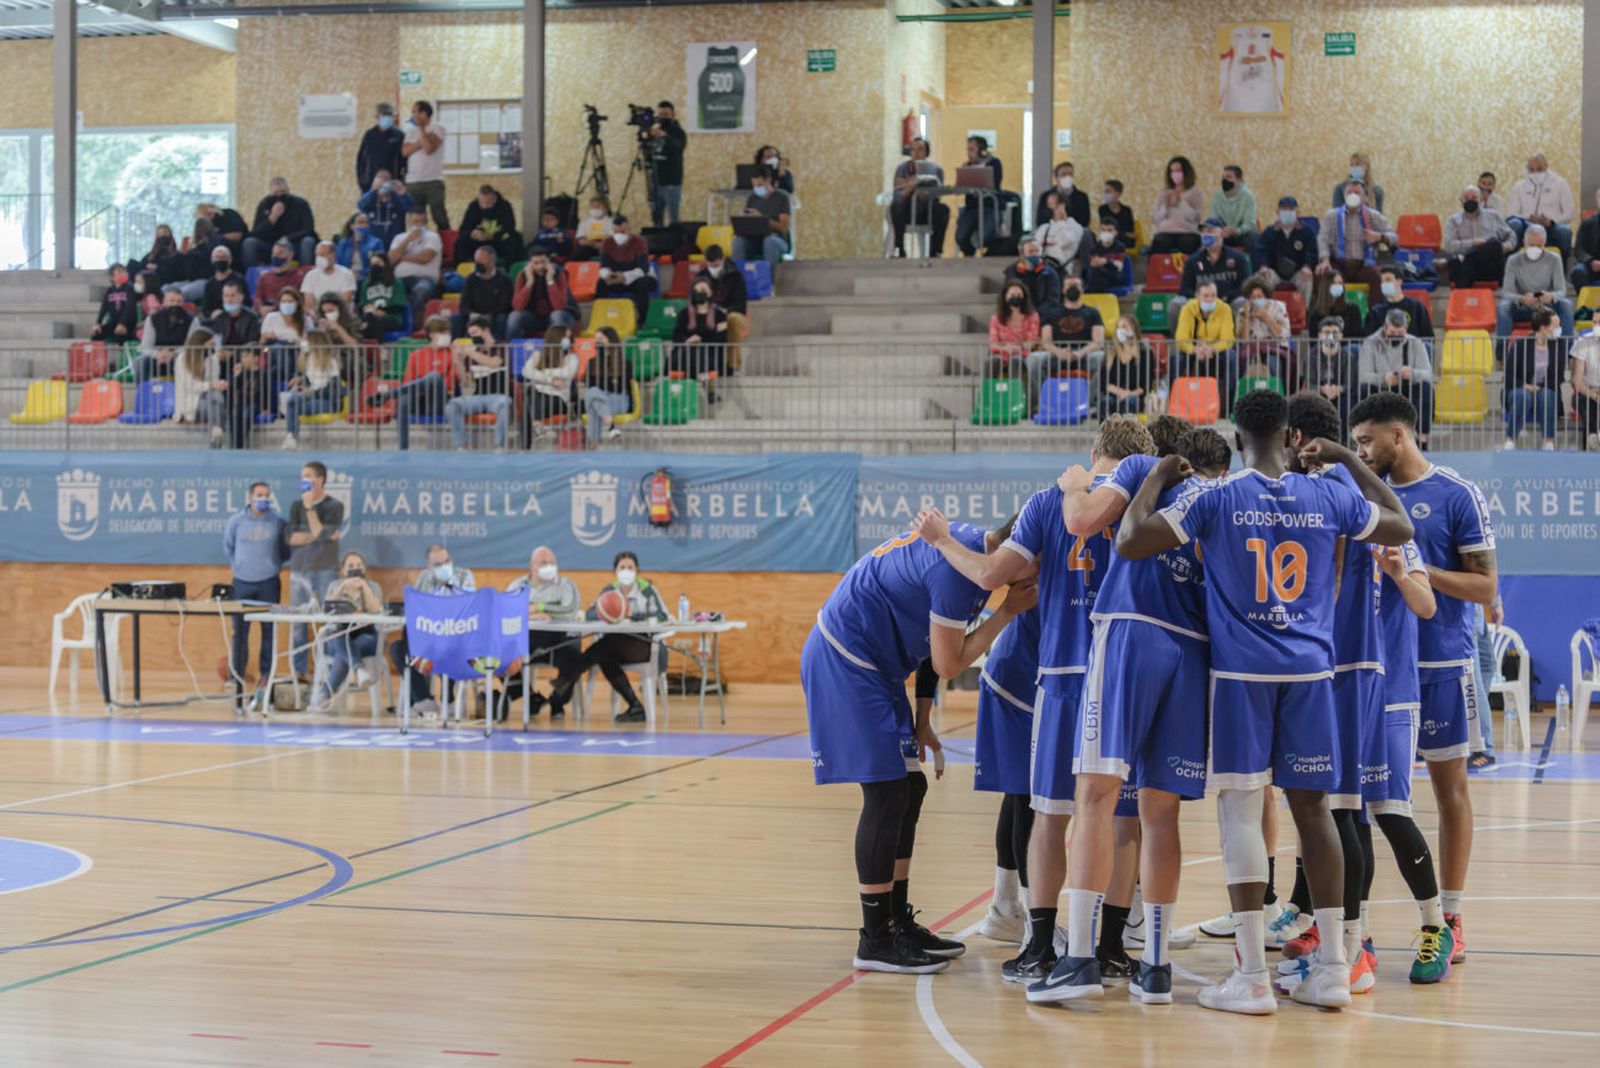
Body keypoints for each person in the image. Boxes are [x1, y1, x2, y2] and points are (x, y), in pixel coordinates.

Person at [1119, 389, 1412, 1013]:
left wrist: (1156, 475)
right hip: (1310, 674)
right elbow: (1400, 523)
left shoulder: (1217, 497)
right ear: (1291, 437)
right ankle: (1333, 968)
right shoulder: (1328, 492)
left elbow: (1130, 540)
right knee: (1316, 813)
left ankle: (1252, 976)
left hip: (1242, 678)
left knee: (1242, 815)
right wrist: (1348, 460)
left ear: (1236, 433)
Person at [911, 417, 1155, 992]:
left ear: (1095, 451)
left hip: (1065, 677)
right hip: (1126, 678)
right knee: (1122, 820)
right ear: (1139, 458)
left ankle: (1041, 945)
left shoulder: (1050, 501)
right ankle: (1112, 945)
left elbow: (991, 571)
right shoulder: (1149, 501)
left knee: (1050, 815)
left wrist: (943, 539)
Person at [807, 505, 1032, 977]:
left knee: (911, 788)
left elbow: (935, 646)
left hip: (878, 667)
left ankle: (894, 922)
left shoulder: (972, 558)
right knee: (887, 791)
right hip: (845, 659)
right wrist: (1008, 611)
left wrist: (923, 719)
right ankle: (874, 938)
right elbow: (951, 663)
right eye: (1035, 565)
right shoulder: (960, 571)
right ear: (1014, 553)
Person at [1054, 427, 1233, 1003]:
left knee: (1096, 796)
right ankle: (1153, 968)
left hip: (1133, 631)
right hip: (1195, 650)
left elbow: (1081, 521)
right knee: (1161, 814)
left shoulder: (1137, 468)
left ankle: (1079, 957)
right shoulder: (1221, 497)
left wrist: (1075, 484)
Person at [1281, 392, 1450, 990]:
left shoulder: (1384, 519)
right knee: (1342, 813)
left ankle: (1433, 922)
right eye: (1351, 446)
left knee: (1385, 813)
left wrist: (1402, 576)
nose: (1357, 454)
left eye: (1363, 445)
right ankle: (1355, 937)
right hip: (1336, 674)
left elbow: (1427, 604)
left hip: (1384, 683)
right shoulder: (1333, 512)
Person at [1350, 390, 1496, 976]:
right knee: (1359, 801)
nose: (1360, 452)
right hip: (1380, 665)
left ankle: (1450, 918)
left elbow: (1486, 589)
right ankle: (1337, 924)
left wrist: (1415, 567)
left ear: (1398, 437)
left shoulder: (1455, 493)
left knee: (1447, 791)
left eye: (1367, 441)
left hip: (1441, 664)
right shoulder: (1358, 496)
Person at [547, 552, 674, 725]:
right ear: (615, 571)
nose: (626, 571)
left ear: (637, 571)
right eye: (622, 567)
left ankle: (568, 676)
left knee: (603, 648)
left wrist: (631, 615)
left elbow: (662, 615)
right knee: (604, 654)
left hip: (644, 646)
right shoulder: (610, 591)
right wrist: (607, 614)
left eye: (630, 568)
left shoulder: (647, 590)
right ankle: (635, 706)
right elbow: (591, 613)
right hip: (617, 648)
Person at [388, 544, 476, 717]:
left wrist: (449, 584)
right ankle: (423, 699)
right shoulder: (424, 577)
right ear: (429, 566)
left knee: (448, 645)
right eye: (437, 564)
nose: (444, 566)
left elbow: (468, 603)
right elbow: (416, 604)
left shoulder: (464, 575)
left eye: (447, 561)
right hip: (428, 633)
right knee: (397, 648)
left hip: (456, 633)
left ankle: (448, 698)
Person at [498, 547, 584, 720]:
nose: (549, 566)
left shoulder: (567, 585)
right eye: (544, 563)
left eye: (552, 563)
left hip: (559, 640)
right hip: (526, 640)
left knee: (576, 658)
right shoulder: (518, 586)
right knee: (501, 652)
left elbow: (569, 610)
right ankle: (530, 698)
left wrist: (539, 607)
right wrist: (531, 614)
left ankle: (557, 701)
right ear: (532, 567)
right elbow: (505, 611)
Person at [222, 481, 288, 708]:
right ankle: (236, 676)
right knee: (239, 632)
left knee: (269, 631)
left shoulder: (278, 522)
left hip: (269, 582)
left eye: (267, 495)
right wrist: (239, 568)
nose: (264, 498)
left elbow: (284, 550)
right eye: (259, 495)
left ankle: (265, 677)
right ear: (250, 497)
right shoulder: (236, 521)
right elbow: (228, 546)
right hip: (242, 582)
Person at [283, 461, 345, 682]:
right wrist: (320, 536)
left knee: (328, 621)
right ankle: (299, 673)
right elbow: (291, 538)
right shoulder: (294, 506)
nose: (304, 480)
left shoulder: (334, 506)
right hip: (300, 571)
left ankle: (328, 671)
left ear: (320, 480)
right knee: (298, 622)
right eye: (302, 476)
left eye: (308, 476)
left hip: (326, 569)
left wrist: (310, 509)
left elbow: (319, 533)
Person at [309, 550, 385, 713]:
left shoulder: (373, 586)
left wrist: (363, 586)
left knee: (345, 651)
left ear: (364, 568)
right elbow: (327, 609)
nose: (355, 568)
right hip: (338, 634)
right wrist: (343, 586)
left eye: (359, 565)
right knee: (339, 638)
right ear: (342, 570)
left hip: (365, 634)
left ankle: (324, 695)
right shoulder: (334, 586)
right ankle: (359, 669)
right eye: (350, 566)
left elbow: (375, 610)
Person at [377, 317, 458, 450]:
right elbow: (408, 382)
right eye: (442, 332)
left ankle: (391, 393)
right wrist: (421, 387)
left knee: (434, 376)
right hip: (419, 398)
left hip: (440, 399)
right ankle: (402, 449)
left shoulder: (451, 355)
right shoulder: (416, 355)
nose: (447, 336)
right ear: (432, 334)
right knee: (403, 399)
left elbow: (449, 384)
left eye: (448, 333)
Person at [1359, 308, 1435, 447]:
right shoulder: (1370, 343)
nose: (1396, 336)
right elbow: (1364, 376)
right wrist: (1383, 378)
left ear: (1406, 329)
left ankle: (1422, 439)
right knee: (1365, 389)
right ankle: (1368, 437)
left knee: (1426, 388)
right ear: (1385, 327)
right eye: (1393, 333)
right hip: (1381, 388)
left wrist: (1413, 373)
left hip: (1408, 386)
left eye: (1400, 333)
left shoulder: (1415, 343)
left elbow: (1428, 374)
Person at [445, 314, 512, 451]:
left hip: (498, 397)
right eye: (470, 334)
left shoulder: (501, 346)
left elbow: (494, 363)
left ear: (486, 331)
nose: (473, 337)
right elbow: (466, 382)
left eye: (475, 333)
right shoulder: (473, 352)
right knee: (452, 406)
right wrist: (457, 361)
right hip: (478, 397)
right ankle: (462, 444)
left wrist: (470, 353)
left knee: (505, 404)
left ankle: (499, 446)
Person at [1496, 223, 1575, 339]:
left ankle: (1566, 348)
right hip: (1523, 307)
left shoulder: (1554, 259)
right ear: (1524, 242)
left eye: (1539, 245)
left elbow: (1561, 291)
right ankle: (1502, 349)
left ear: (1545, 244)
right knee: (1503, 307)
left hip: (1547, 308)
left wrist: (1551, 296)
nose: (1535, 248)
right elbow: (1506, 293)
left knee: (1566, 305)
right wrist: (1522, 299)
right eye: (1531, 245)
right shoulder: (1513, 260)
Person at [1501, 307, 1564, 450]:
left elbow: (1558, 377)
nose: (1559, 329)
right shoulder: (1521, 345)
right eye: (1556, 326)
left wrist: (1540, 388)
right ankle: (1510, 438)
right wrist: (1525, 386)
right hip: (1520, 388)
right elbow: (1509, 377)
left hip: (1545, 389)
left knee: (1547, 395)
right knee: (1522, 396)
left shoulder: (1557, 346)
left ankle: (1548, 441)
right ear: (1543, 328)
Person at [1170, 218, 1251, 329]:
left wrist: (1225, 298)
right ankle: (1181, 343)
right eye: (1204, 231)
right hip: (1200, 302)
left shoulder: (1238, 258)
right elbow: (1184, 289)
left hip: (1228, 301)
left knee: (1242, 303)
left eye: (1210, 231)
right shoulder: (1193, 260)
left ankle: (1239, 342)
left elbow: (1245, 286)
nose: (1206, 234)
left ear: (1222, 233)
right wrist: (1200, 298)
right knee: (1176, 304)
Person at [1037, 276, 1105, 407]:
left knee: (1101, 358)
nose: (1072, 288)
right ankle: (1043, 402)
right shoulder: (1051, 313)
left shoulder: (1093, 312)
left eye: (1076, 285)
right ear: (1063, 289)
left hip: (1084, 355)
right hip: (1057, 355)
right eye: (1068, 285)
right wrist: (1058, 352)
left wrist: (1079, 353)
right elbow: (1045, 341)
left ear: (1082, 289)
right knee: (1035, 360)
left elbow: (1099, 341)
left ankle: (1088, 402)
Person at [1317, 179, 1394, 292]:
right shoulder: (1332, 215)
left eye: (1357, 192)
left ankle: (1375, 310)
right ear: (1344, 196)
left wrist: (1379, 237)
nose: (1353, 195)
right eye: (1349, 192)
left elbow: (1394, 236)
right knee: (1324, 273)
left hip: (1364, 264)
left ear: (1364, 197)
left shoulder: (1373, 216)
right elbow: (1322, 239)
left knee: (1377, 278)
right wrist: (1324, 259)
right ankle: (1329, 309)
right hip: (1339, 263)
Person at [1171, 281, 1236, 409]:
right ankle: (1175, 405)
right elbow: (1181, 339)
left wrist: (1211, 349)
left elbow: (1228, 339)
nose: (1210, 299)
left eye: (1213, 295)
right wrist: (1195, 350)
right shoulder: (1187, 309)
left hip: (1216, 351)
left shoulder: (1224, 309)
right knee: (1176, 358)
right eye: (1206, 296)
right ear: (1197, 296)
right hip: (1194, 351)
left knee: (1231, 356)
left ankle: (1228, 407)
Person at [1440, 185, 1516, 289]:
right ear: (1461, 201)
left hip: (1488, 268)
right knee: (1467, 264)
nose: (1470, 200)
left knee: (1493, 243)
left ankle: (1455, 262)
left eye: (1474, 198)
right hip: (1465, 268)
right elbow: (1448, 246)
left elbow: (1512, 236)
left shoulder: (1493, 216)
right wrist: (1472, 243)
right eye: (1466, 198)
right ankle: (1462, 260)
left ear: (1481, 199)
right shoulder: (1453, 221)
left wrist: (1505, 246)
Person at [281, 332, 345, 451]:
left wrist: (310, 393)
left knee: (293, 406)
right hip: (312, 397)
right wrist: (301, 381)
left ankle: (291, 438)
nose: (303, 342)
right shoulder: (309, 359)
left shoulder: (331, 362)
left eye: (306, 340)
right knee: (292, 399)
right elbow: (311, 381)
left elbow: (333, 389)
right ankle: (291, 438)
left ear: (315, 342)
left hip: (328, 401)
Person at [1505, 152, 1576, 261]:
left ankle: (1561, 270)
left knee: (1564, 231)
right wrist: (1529, 217)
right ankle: (1510, 268)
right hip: (1527, 226)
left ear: (1546, 167)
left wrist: (1551, 221)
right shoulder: (1519, 187)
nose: (1536, 173)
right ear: (1527, 169)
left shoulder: (1560, 184)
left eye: (1539, 169)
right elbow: (1511, 214)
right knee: (1514, 224)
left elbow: (1570, 212)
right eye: (1532, 170)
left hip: (1552, 227)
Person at [889, 137, 948, 257]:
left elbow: (935, 193)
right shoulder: (902, 168)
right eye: (913, 150)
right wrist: (917, 183)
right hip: (907, 210)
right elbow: (900, 190)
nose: (916, 153)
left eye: (920, 149)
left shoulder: (935, 169)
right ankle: (899, 248)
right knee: (896, 205)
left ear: (926, 152)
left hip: (927, 210)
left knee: (943, 210)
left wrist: (911, 184)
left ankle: (935, 251)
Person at [243, 177, 318, 269]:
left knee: (308, 241)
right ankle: (251, 275)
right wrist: (272, 218)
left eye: (283, 191)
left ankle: (306, 273)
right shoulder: (265, 204)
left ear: (288, 191)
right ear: (271, 193)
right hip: (271, 245)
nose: (280, 195)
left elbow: (308, 229)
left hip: (295, 244)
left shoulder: (301, 204)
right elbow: (255, 233)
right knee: (249, 243)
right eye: (276, 193)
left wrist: (288, 238)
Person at [522, 326, 578, 443]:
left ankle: (536, 429)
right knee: (531, 393)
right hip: (539, 398)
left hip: (559, 399)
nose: (569, 340)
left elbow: (567, 373)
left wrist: (544, 371)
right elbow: (526, 371)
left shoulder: (572, 357)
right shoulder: (538, 354)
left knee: (530, 402)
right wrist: (550, 380)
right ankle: (537, 426)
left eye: (569, 337)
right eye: (566, 337)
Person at [1260, 196, 1317, 309]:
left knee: (1307, 278)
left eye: (1291, 209)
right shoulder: (1269, 232)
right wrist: (1263, 266)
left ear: (1297, 212)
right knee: (1263, 277)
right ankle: (1266, 313)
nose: (1287, 212)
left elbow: (1311, 252)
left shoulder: (1307, 232)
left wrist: (1307, 266)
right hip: (1274, 273)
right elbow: (1261, 251)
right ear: (1278, 212)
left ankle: (1304, 314)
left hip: (1298, 273)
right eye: (1284, 209)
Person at [388, 209, 443, 327]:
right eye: (416, 221)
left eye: (422, 222)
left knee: (420, 292)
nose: (419, 225)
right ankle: (396, 325)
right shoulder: (399, 237)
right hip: (400, 279)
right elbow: (391, 259)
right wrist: (408, 240)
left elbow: (424, 258)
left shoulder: (433, 237)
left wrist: (401, 257)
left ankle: (416, 329)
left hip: (424, 277)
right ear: (409, 222)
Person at [668, 278, 728, 384]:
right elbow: (676, 335)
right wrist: (688, 340)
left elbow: (721, 339)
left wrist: (701, 339)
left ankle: (700, 386)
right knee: (690, 353)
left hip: (709, 354)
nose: (699, 293)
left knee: (699, 354)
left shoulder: (719, 315)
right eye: (696, 291)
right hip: (686, 354)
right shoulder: (684, 314)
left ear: (710, 293)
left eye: (703, 290)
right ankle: (700, 387)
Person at [584, 326, 636, 446]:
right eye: (596, 339)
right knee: (594, 395)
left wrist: (603, 385)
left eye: (601, 338)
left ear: (611, 340)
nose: (598, 342)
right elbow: (590, 385)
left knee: (594, 401)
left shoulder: (624, 362)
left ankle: (594, 445)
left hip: (619, 399)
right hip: (602, 400)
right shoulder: (592, 362)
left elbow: (621, 387)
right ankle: (612, 427)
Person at [401, 100, 449, 229]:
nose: (413, 115)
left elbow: (428, 149)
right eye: (412, 112)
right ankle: (419, 243)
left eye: (415, 112)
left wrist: (422, 129)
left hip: (433, 181)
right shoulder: (409, 131)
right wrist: (420, 141)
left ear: (424, 113)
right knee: (416, 217)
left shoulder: (437, 128)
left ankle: (447, 245)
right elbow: (405, 152)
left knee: (439, 216)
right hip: (413, 181)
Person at [507, 250, 576, 339]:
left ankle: (558, 351)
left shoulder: (559, 273)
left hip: (563, 314)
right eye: (535, 263)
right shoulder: (522, 275)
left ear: (549, 262)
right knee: (514, 316)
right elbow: (517, 307)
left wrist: (550, 280)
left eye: (543, 262)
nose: (540, 267)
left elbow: (559, 306)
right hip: (534, 317)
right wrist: (529, 282)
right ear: (529, 264)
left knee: (557, 315)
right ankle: (513, 351)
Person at [596, 215, 654, 319]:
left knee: (642, 284)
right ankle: (602, 317)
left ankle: (643, 319)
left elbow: (643, 269)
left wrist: (625, 277)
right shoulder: (607, 243)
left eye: (622, 232)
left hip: (637, 278)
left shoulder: (639, 242)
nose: (619, 235)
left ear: (629, 229)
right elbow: (603, 266)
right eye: (616, 232)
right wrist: (609, 276)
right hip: (616, 279)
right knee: (601, 284)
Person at [1098, 316, 1156, 419]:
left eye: (1124, 326)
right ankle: (1105, 434)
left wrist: (1129, 394)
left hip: (1134, 396)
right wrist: (1121, 393)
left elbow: (1146, 385)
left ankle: (1125, 434)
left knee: (1128, 403)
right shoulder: (1111, 354)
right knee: (1105, 403)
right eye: (1118, 327)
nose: (1120, 330)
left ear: (1133, 329)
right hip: (1114, 395)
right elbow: (1104, 383)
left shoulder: (1145, 353)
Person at [955, 136, 1003, 257]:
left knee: (986, 235)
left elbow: (995, 183)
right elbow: (961, 188)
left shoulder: (994, 163)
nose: (969, 153)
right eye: (968, 150)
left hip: (990, 206)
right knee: (960, 236)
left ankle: (988, 255)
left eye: (972, 149)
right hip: (972, 207)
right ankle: (969, 254)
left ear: (981, 150)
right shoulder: (967, 166)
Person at [1309, 316, 1359, 434]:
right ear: (1320, 335)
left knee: (1346, 402)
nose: (1331, 336)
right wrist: (1323, 389)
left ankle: (1344, 440)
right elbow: (1310, 383)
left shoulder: (1347, 356)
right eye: (1326, 332)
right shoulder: (1312, 356)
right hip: (1319, 393)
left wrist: (1338, 389)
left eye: (1335, 332)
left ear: (1341, 335)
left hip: (1341, 395)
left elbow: (1350, 384)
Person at [1232, 277, 1289, 379]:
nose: (1256, 300)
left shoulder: (1278, 307)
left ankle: (1276, 391)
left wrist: (1267, 318)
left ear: (1266, 296)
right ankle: (1246, 391)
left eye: (1259, 296)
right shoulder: (1242, 312)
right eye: (1253, 297)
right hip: (1251, 347)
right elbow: (1243, 340)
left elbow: (1284, 334)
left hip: (1274, 346)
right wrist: (1247, 317)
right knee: (1245, 359)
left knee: (1272, 360)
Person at [133, 288, 193, 382]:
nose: (175, 304)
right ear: (164, 302)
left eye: (179, 301)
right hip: (157, 358)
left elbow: (191, 345)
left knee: (188, 360)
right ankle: (142, 394)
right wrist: (157, 354)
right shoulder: (153, 319)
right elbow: (145, 347)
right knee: (139, 362)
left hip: (180, 356)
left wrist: (173, 354)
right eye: (172, 301)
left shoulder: (192, 320)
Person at [259, 286, 315, 385]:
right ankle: (288, 378)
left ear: (297, 303)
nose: (286, 304)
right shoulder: (271, 317)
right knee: (278, 347)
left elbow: (308, 345)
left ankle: (289, 378)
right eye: (283, 301)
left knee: (283, 348)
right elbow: (262, 343)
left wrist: (293, 341)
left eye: (290, 302)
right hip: (273, 353)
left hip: (298, 354)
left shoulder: (306, 320)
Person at [454, 185, 521, 267]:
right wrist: (472, 234)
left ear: (494, 198)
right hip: (478, 242)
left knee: (513, 241)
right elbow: (464, 228)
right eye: (482, 202)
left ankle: (509, 270)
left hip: (498, 242)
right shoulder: (473, 206)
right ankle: (460, 271)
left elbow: (510, 227)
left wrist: (493, 236)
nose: (485, 205)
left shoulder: (504, 206)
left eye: (488, 202)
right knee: (460, 243)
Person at [735, 170, 792, 268]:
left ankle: (769, 281)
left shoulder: (781, 198)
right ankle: (738, 278)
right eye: (755, 185)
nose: (757, 188)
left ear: (768, 180)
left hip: (777, 239)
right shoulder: (752, 198)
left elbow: (784, 228)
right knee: (738, 241)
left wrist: (762, 219)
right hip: (756, 240)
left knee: (769, 241)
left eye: (760, 185)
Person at [1149, 156, 1204, 255]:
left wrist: (1181, 203)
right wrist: (1165, 206)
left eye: (1178, 171)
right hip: (1166, 231)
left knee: (1188, 243)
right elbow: (1155, 218)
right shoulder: (1164, 192)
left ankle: (1189, 270)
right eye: (1172, 171)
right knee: (1159, 243)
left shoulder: (1196, 192)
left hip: (1188, 231)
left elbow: (1195, 219)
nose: (1175, 174)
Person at [454, 246, 513, 338]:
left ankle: (501, 348)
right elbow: (463, 304)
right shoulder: (471, 279)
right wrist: (473, 314)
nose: (478, 263)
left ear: (492, 261)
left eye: (481, 260)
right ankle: (456, 347)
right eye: (476, 260)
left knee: (502, 318)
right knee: (457, 318)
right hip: (474, 314)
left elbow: (505, 305)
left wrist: (489, 315)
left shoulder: (504, 279)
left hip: (494, 315)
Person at [700, 245, 749, 356]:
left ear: (722, 260)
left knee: (733, 321)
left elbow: (740, 305)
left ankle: (733, 365)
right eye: (710, 265)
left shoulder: (735, 276)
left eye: (716, 265)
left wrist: (724, 313)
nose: (713, 268)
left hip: (731, 313)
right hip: (709, 313)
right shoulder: (702, 276)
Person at [1365, 264, 1435, 339]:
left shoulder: (1417, 307)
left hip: (1413, 349)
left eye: (1388, 280)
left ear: (1399, 281)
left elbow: (1428, 337)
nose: (1384, 284)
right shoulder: (1376, 310)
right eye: (1382, 281)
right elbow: (1370, 339)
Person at [987, 280, 1040, 377]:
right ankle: (988, 391)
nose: (1015, 297)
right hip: (1001, 354)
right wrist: (1005, 348)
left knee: (1016, 361)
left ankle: (1015, 391)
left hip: (1022, 354)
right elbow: (993, 343)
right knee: (992, 362)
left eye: (1019, 294)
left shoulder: (1032, 316)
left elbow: (1032, 340)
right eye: (1012, 294)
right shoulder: (996, 317)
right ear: (1005, 297)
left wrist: (1018, 348)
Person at [647, 101, 687, 228]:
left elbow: (677, 148)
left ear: (673, 115)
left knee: (673, 218)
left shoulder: (678, 132)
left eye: (666, 114)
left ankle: (674, 243)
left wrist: (665, 136)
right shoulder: (654, 132)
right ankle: (658, 242)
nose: (663, 117)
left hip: (671, 182)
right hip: (656, 180)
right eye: (660, 114)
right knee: (657, 219)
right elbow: (649, 154)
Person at [221, 345, 269, 450]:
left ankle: (239, 445)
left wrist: (266, 407)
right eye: (242, 357)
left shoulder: (263, 374)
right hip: (241, 403)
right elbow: (231, 389)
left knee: (246, 414)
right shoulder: (240, 373)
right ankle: (235, 445)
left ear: (256, 358)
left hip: (256, 403)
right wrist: (236, 376)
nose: (243, 359)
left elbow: (267, 392)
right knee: (235, 414)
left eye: (247, 356)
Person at [356, 102, 406, 194]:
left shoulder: (399, 136)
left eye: (389, 114)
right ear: (377, 116)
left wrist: (402, 181)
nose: (387, 117)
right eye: (384, 114)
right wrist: (363, 183)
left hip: (393, 184)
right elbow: (361, 162)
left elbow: (404, 160)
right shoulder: (370, 136)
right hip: (371, 184)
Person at [356, 253, 406, 340]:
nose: (376, 266)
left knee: (372, 323)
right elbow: (361, 305)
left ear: (386, 264)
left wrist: (382, 312)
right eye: (373, 264)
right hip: (369, 316)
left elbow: (399, 305)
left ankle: (372, 349)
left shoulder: (397, 282)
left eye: (378, 263)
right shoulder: (366, 285)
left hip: (391, 317)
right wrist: (367, 309)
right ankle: (375, 348)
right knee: (367, 321)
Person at [1033, 191, 1084, 275]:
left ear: (1062, 205)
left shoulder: (1075, 227)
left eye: (1051, 204)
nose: (1048, 208)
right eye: (1048, 204)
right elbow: (1037, 248)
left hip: (1062, 271)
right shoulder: (1044, 228)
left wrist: (1060, 220)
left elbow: (1064, 242)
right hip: (1042, 269)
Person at [357, 174, 415, 249]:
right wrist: (373, 191)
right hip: (374, 245)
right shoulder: (371, 199)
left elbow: (411, 208)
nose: (383, 185)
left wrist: (403, 193)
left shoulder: (397, 200)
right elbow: (361, 206)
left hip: (394, 244)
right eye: (380, 181)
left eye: (386, 181)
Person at [183, 244, 243, 314]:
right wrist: (213, 314)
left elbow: (247, 303)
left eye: (223, 257)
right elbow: (206, 309)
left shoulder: (239, 279)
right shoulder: (210, 284)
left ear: (229, 260)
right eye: (217, 257)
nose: (220, 260)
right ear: (212, 260)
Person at [1005, 240, 1061, 315]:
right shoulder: (1012, 273)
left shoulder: (1050, 273)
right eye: (1031, 251)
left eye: (1037, 251)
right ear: (1022, 254)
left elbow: (1053, 300)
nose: (1035, 254)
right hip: (1020, 315)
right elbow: (1009, 298)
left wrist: (1036, 315)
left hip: (1044, 316)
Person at [206, 279, 261, 353]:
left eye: (232, 295)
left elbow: (253, 343)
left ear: (241, 297)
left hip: (244, 358)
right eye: (226, 296)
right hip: (222, 358)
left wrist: (232, 354)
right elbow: (216, 339)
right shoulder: (219, 318)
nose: (229, 300)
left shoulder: (252, 318)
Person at [1210, 164, 1258, 249]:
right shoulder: (1216, 197)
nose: (1225, 180)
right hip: (1222, 234)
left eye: (1228, 177)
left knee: (1251, 237)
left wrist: (1236, 231)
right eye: (1223, 177)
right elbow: (1213, 220)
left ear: (1238, 180)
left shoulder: (1248, 197)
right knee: (1209, 238)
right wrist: (1220, 231)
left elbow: (1250, 224)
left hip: (1241, 234)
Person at [253, 239, 307, 313]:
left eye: (280, 253)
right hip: (266, 313)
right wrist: (261, 308)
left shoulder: (298, 276)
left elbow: (298, 299)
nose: (275, 256)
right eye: (273, 254)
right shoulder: (265, 277)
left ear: (290, 255)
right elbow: (257, 298)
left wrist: (275, 308)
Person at [1032, 161, 1089, 230]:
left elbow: (1085, 221)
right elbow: (1040, 221)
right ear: (1056, 178)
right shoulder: (1045, 197)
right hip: (1052, 235)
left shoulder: (1082, 197)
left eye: (1070, 174)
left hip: (1075, 235)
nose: (1067, 177)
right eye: (1063, 175)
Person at [300, 241, 358, 308]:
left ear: (333, 255)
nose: (319, 258)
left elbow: (345, 302)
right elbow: (309, 304)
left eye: (322, 255)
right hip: (317, 316)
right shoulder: (310, 276)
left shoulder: (346, 274)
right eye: (317, 255)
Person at [1310, 268, 1364, 339]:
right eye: (1334, 283)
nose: (1338, 286)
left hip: (1347, 348)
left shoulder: (1353, 309)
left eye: (1340, 283)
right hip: (1324, 348)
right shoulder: (1315, 313)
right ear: (1326, 286)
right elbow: (1313, 341)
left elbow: (1357, 339)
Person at [89, 264, 138, 343]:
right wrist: (97, 323)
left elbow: (129, 308)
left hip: (128, 323)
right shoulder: (109, 290)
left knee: (120, 335)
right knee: (96, 334)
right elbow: (104, 308)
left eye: (124, 271)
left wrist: (122, 323)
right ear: (112, 277)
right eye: (120, 272)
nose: (123, 273)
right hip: (114, 322)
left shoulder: (130, 288)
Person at [334, 212, 386, 286]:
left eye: (366, 223)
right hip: (346, 277)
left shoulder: (376, 243)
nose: (364, 225)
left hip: (368, 279)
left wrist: (360, 274)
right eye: (360, 222)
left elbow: (379, 265)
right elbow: (338, 263)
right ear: (352, 226)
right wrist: (348, 274)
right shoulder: (344, 243)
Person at [1083, 221, 1129, 295]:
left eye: (1109, 230)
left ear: (1116, 233)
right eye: (1103, 230)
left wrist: (1105, 261)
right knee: (1096, 271)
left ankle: (1095, 298)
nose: (1106, 232)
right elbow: (1092, 264)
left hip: (1114, 275)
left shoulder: (1120, 247)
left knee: (1098, 273)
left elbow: (1119, 266)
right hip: (1098, 276)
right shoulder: (1094, 249)